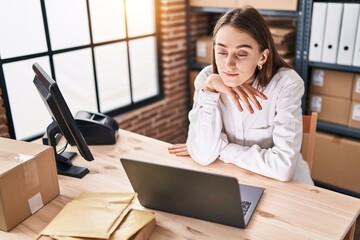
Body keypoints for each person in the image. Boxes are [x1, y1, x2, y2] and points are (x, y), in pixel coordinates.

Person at [168, 6, 313, 185]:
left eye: (242, 54)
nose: (229, 64)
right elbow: (203, 155)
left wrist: (222, 149)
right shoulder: (206, 79)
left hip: (284, 186)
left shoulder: (286, 84)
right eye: (221, 52)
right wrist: (210, 92)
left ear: (262, 57)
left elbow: (283, 168)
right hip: (230, 178)